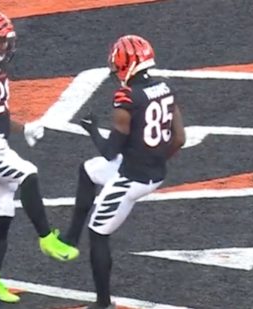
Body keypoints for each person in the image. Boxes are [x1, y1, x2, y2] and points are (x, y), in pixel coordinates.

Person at [0, 10, 79, 304]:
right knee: (27, 173)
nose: (5, 47)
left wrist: (24, 128)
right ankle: (47, 238)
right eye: (0, 41)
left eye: (7, 41)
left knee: (2, 214)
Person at [62, 35, 186, 309]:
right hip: (155, 171)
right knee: (88, 170)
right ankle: (70, 237)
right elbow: (179, 138)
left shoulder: (127, 96)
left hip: (131, 177)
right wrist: (154, 159)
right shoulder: (166, 88)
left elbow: (109, 151)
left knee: (98, 234)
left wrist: (92, 128)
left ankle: (103, 304)